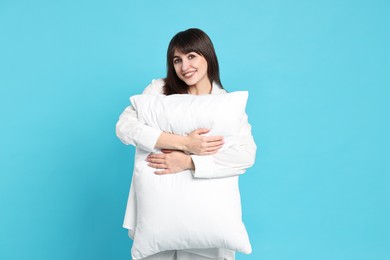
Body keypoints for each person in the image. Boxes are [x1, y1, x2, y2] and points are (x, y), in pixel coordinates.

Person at [116, 28, 257, 260]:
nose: (184, 66)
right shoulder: (159, 91)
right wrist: (185, 143)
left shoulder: (225, 104)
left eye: (191, 56)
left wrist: (189, 162)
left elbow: (245, 155)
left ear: (207, 55)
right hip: (158, 217)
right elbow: (125, 127)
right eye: (177, 60)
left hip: (207, 217)